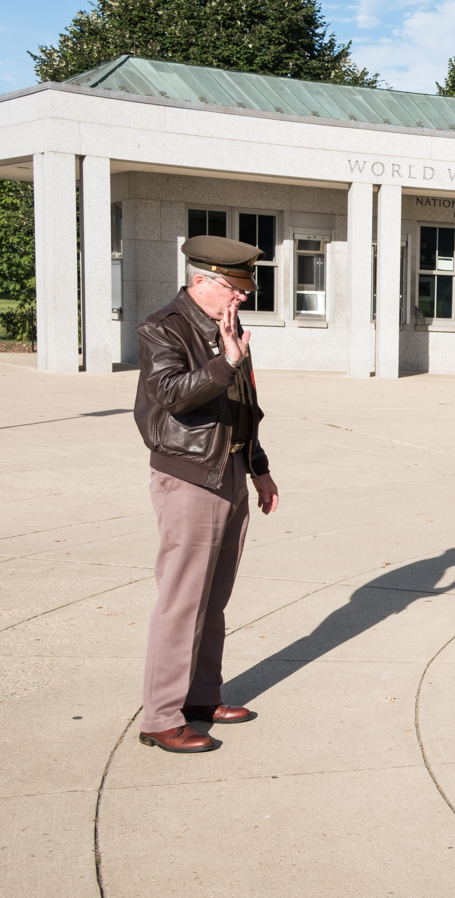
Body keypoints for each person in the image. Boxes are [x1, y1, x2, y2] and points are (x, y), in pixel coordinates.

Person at [133, 235, 279, 753]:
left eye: (245, 290)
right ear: (202, 281)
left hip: (232, 469)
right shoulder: (163, 327)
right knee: (181, 600)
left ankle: (200, 696)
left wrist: (258, 467)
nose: (242, 298)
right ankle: (160, 716)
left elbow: (246, 407)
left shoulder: (229, 328)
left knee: (213, 597)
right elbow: (170, 394)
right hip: (191, 474)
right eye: (234, 289)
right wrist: (225, 363)